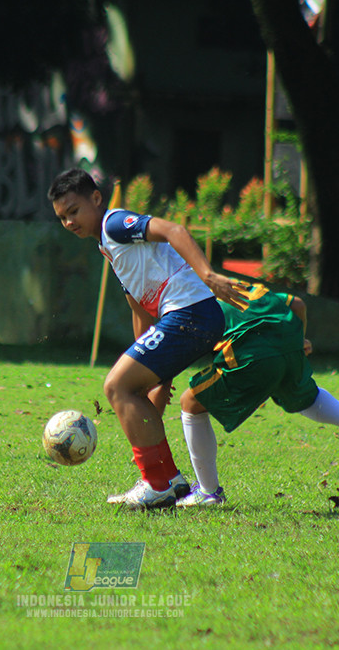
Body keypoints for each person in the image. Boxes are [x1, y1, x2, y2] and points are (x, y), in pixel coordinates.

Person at [48, 167, 246, 509]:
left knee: (115, 386)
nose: (69, 222)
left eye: (74, 211)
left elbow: (174, 230)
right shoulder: (107, 246)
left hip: (191, 312)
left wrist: (209, 275)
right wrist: (151, 373)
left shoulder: (114, 224)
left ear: (96, 198)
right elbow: (139, 308)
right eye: (62, 217)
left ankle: (160, 482)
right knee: (128, 387)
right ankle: (162, 480)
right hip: (186, 316)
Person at [174, 279, 339, 506]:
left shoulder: (196, 303)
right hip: (288, 345)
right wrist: (299, 340)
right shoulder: (246, 288)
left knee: (190, 403)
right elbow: (298, 305)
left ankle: (208, 491)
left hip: (253, 356)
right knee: (307, 397)